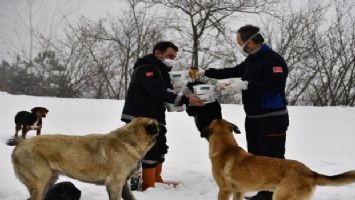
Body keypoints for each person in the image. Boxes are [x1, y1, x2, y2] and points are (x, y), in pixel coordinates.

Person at [198, 25, 289, 200]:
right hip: (253, 118)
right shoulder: (252, 60)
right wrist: (206, 72)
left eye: (241, 44)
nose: (240, 48)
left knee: (273, 159)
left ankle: (274, 195)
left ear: (251, 42)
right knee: (255, 160)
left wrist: (246, 85)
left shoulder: (273, 60)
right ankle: (263, 194)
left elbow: (274, 86)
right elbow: (232, 71)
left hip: (271, 118)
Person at [121, 41, 204, 191]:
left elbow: (166, 93)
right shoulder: (147, 69)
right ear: (158, 53)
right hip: (140, 118)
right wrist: (186, 99)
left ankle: (156, 179)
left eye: (174, 56)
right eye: (170, 55)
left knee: (160, 146)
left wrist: (182, 98)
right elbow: (158, 92)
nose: (172, 59)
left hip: (154, 116)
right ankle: (148, 185)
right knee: (150, 150)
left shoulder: (161, 70)